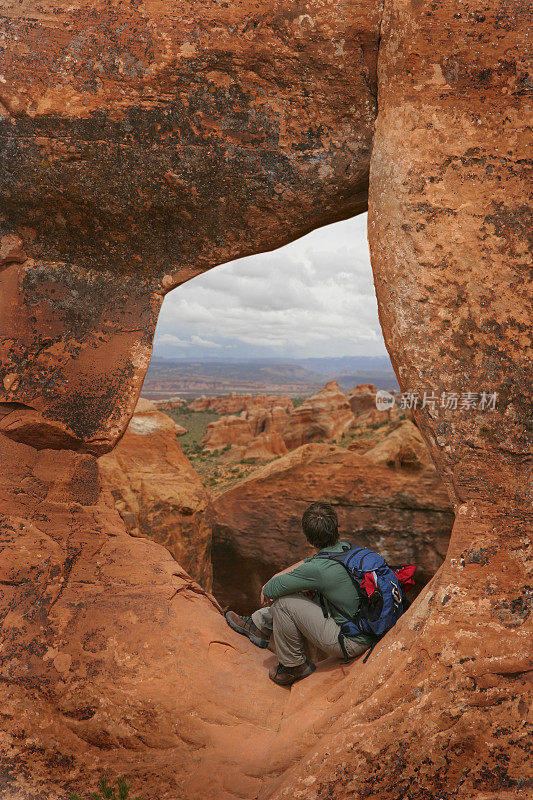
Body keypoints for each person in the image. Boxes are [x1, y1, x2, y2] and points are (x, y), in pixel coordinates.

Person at [225, 501, 373, 685]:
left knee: (284, 602)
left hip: (352, 642)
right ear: (337, 528)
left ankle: (293, 666)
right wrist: (281, 576)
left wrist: (272, 582)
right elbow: (312, 561)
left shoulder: (318, 570)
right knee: (307, 592)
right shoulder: (350, 549)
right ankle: (257, 625)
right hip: (368, 629)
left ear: (308, 538)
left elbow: (272, 590)